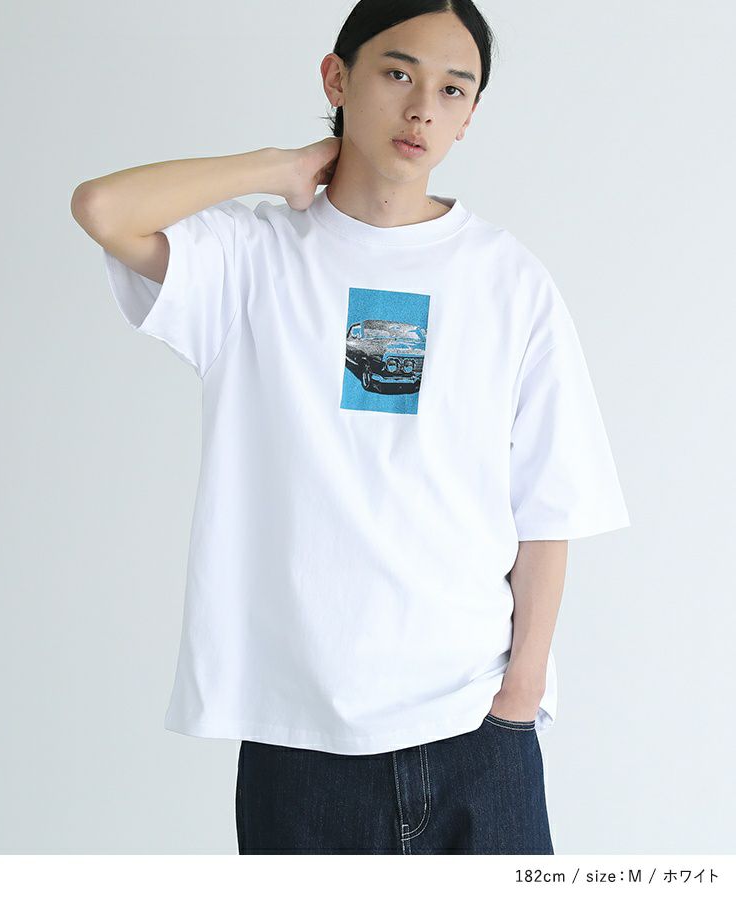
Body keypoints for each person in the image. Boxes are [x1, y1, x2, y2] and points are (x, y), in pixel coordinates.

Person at [70, 0, 630, 854]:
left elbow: (548, 506)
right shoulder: (248, 259)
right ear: (337, 78)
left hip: (475, 727)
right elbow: (103, 207)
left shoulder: (509, 281)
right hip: (300, 739)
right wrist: (280, 167)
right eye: (398, 73)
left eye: (453, 89)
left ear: (470, 116)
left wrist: (518, 698)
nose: (422, 109)